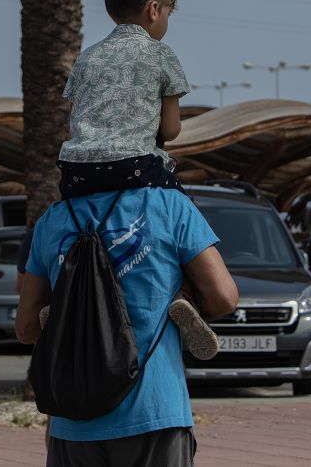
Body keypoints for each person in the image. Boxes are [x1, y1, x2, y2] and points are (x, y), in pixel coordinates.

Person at [52, 0, 218, 359]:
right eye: (168, 13)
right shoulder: (160, 54)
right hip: (135, 167)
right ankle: (188, 298)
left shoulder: (88, 57)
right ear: (154, 9)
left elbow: (80, 114)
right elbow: (172, 129)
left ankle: (58, 303)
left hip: (76, 173)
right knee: (184, 216)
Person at [16, 187, 239, 466]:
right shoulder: (168, 204)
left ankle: (69, 307)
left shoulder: (52, 220)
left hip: (72, 419)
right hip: (153, 411)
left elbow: (25, 328)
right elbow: (224, 298)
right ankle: (183, 297)